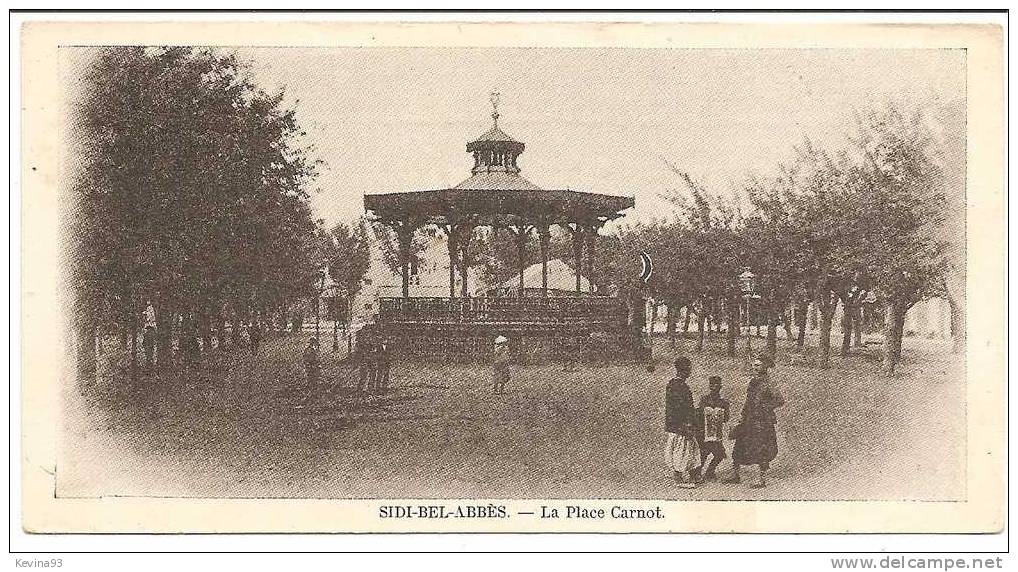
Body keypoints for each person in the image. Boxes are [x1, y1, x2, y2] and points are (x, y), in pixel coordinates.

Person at [725, 354, 785, 488]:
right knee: (740, 445)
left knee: (761, 449)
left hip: (762, 422)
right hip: (749, 419)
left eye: (758, 365)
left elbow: (780, 400)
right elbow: (748, 400)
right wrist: (742, 414)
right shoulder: (753, 382)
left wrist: (765, 407)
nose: (754, 367)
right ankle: (735, 475)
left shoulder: (769, 383)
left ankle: (761, 480)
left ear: (765, 366)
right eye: (754, 365)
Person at [664, 356, 701, 488]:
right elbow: (680, 408)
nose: (690, 371)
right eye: (689, 369)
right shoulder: (680, 387)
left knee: (688, 448)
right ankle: (678, 478)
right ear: (684, 370)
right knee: (681, 449)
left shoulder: (673, 384)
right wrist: (687, 424)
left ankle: (692, 474)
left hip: (676, 424)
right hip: (680, 425)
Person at [695, 375, 731, 482]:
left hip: (716, 432)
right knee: (703, 453)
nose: (714, 387)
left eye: (716, 385)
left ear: (720, 387)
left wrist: (720, 414)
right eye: (711, 384)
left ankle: (709, 471)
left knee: (719, 454)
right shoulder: (704, 399)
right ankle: (697, 474)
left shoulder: (724, 402)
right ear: (709, 386)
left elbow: (726, 419)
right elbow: (698, 414)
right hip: (704, 432)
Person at [355, 328, 375, 393]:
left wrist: (371, 352)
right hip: (363, 360)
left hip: (370, 359)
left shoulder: (370, 342)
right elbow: (358, 353)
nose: (368, 336)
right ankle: (361, 389)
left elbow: (373, 349)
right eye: (366, 334)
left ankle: (370, 388)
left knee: (372, 373)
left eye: (368, 334)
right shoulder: (359, 344)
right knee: (364, 374)